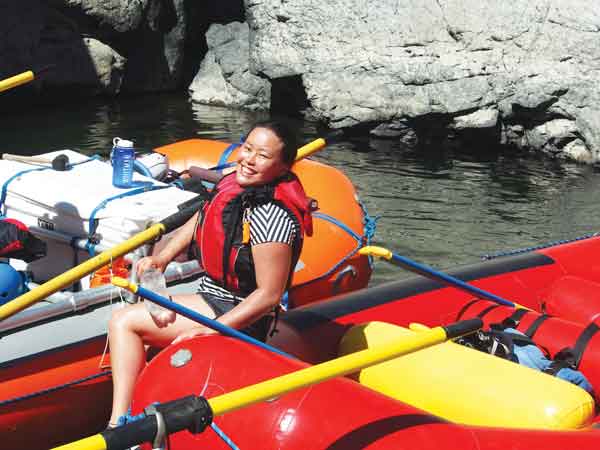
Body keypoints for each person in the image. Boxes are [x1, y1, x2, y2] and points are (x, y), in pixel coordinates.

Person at [106, 121, 313, 427]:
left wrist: (213, 328)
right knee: (138, 318)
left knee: (123, 322)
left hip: (240, 313)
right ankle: (136, 409)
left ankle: (120, 425)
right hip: (212, 295)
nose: (249, 159)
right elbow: (202, 219)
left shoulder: (272, 215)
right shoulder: (234, 186)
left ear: (282, 167)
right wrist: (162, 257)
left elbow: (268, 295)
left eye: (263, 156)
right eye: (248, 149)